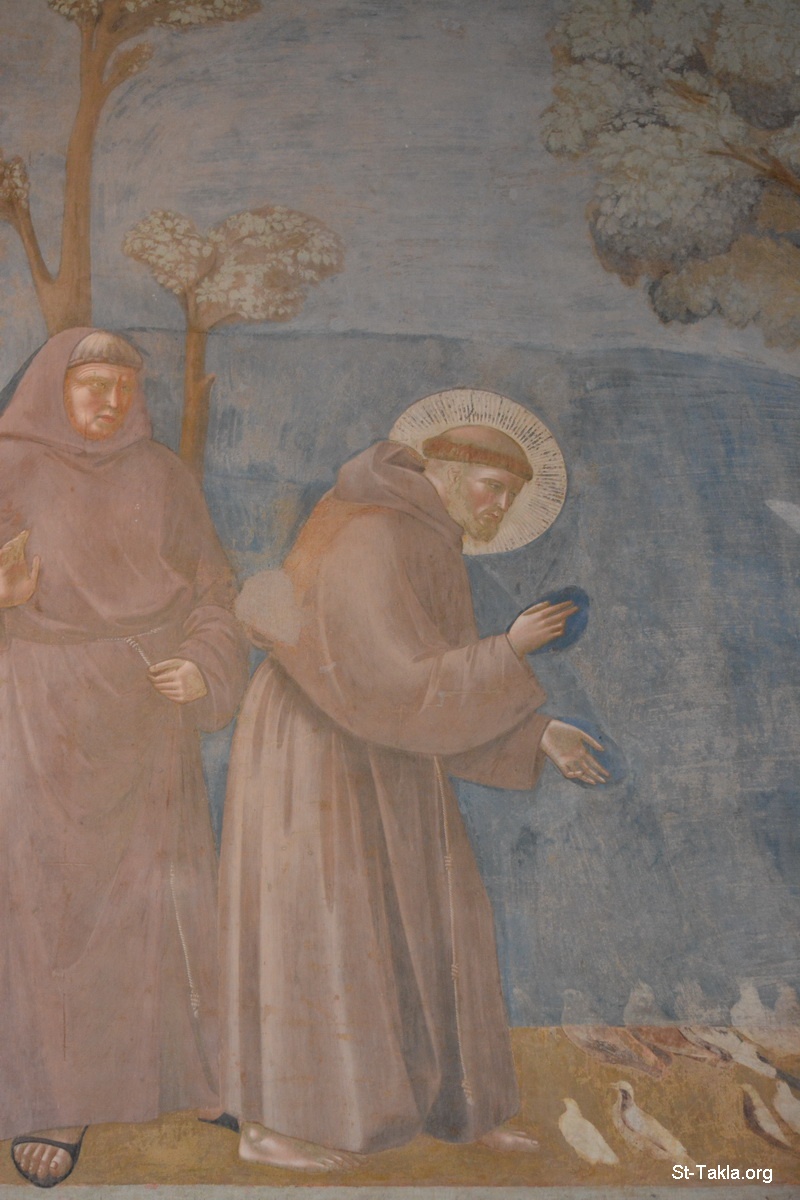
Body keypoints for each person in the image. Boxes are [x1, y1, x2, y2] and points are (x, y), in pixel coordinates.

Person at [218, 389, 608, 1170]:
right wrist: (511, 649)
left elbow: (434, 700)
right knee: (321, 922)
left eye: (510, 496)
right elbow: (390, 683)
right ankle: (274, 1122)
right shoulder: (373, 532)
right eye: (491, 487)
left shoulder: (430, 538)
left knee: (436, 915)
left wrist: (540, 734)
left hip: (390, 750)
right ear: (447, 472)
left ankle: (453, 1108)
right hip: (319, 750)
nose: (498, 506)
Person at [0, 328, 250, 1187]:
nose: (110, 400)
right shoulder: (8, 467)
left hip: (149, 709)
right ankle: (54, 1099)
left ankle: (181, 1078)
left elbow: (214, 592)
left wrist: (205, 663)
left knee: (158, 901)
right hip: (39, 714)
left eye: (122, 385)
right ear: (53, 388)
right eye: (92, 384)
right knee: (53, 911)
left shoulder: (164, 477)